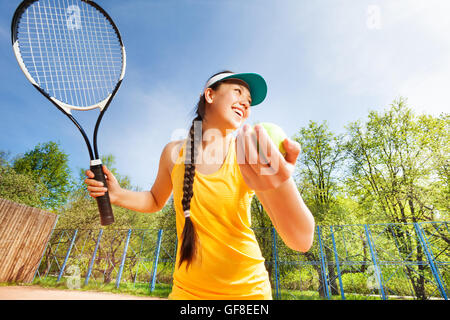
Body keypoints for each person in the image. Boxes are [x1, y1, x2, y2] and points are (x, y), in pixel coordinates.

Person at [84, 70, 315, 299]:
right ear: (210, 95)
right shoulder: (173, 152)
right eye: (238, 91)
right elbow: (155, 200)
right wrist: (117, 194)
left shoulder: (247, 151)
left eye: (249, 101)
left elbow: (301, 240)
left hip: (248, 293)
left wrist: (282, 182)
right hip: (187, 293)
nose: (245, 102)